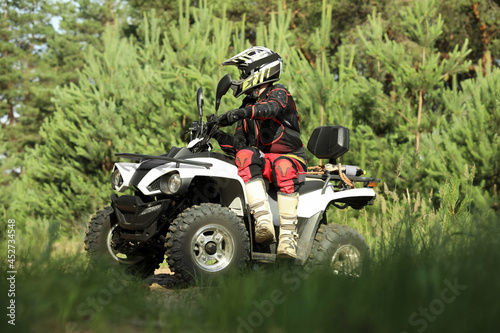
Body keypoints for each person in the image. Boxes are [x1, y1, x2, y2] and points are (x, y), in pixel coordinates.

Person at [212, 46, 307, 259]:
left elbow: (270, 109)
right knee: (245, 155)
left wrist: (241, 113)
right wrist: (216, 134)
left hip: (292, 159)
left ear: (260, 71)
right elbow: (238, 146)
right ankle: (263, 222)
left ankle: (288, 238)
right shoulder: (248, 104)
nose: (241, 78)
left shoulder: (280, 93)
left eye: (244, 73)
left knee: (282, 166)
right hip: (265, 162)